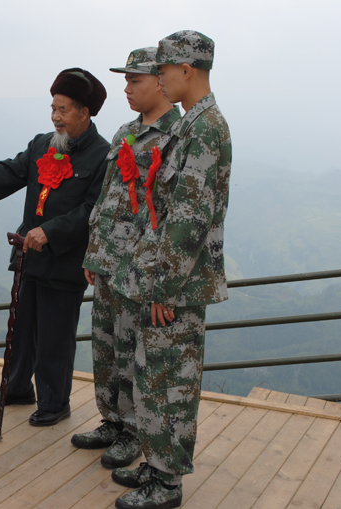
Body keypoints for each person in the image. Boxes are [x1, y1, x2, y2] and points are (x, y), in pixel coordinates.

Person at [0, 68, 110, 426]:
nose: (55, 117)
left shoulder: (102, 157)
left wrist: (51, 231)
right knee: (20, 327)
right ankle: (16, 388)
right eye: (53, 108)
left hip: (64, 260)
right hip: (29, 253)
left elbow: (93, 210)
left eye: (62, 110)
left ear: (84, 113)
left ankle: (54, 401)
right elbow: (11, 171)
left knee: (54, 336)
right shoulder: (43, 143)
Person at [109, 31, 232, 509]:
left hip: (175, 284)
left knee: (170, 381)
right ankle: (155, 464)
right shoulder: (193, 125)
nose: (159, 77)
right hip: (163, 276)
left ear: (188, 70)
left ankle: (167, 482)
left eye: (164, 70)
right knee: (151, 373)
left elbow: (190, 218)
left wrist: (163, 287)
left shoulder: (206, 128)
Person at [70, 48, 181, 472]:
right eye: (126, 80)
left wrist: (159, 275)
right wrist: (94, 252)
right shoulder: (125, 133)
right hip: (110, 263)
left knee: (136, 353)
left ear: (160, 80)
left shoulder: (176, 137)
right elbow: (106, 199)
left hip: (143, 268)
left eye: (135, 80)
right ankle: (112, 420)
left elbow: (171, 213)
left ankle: (135, 430)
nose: (126, 88)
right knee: (106, 347)